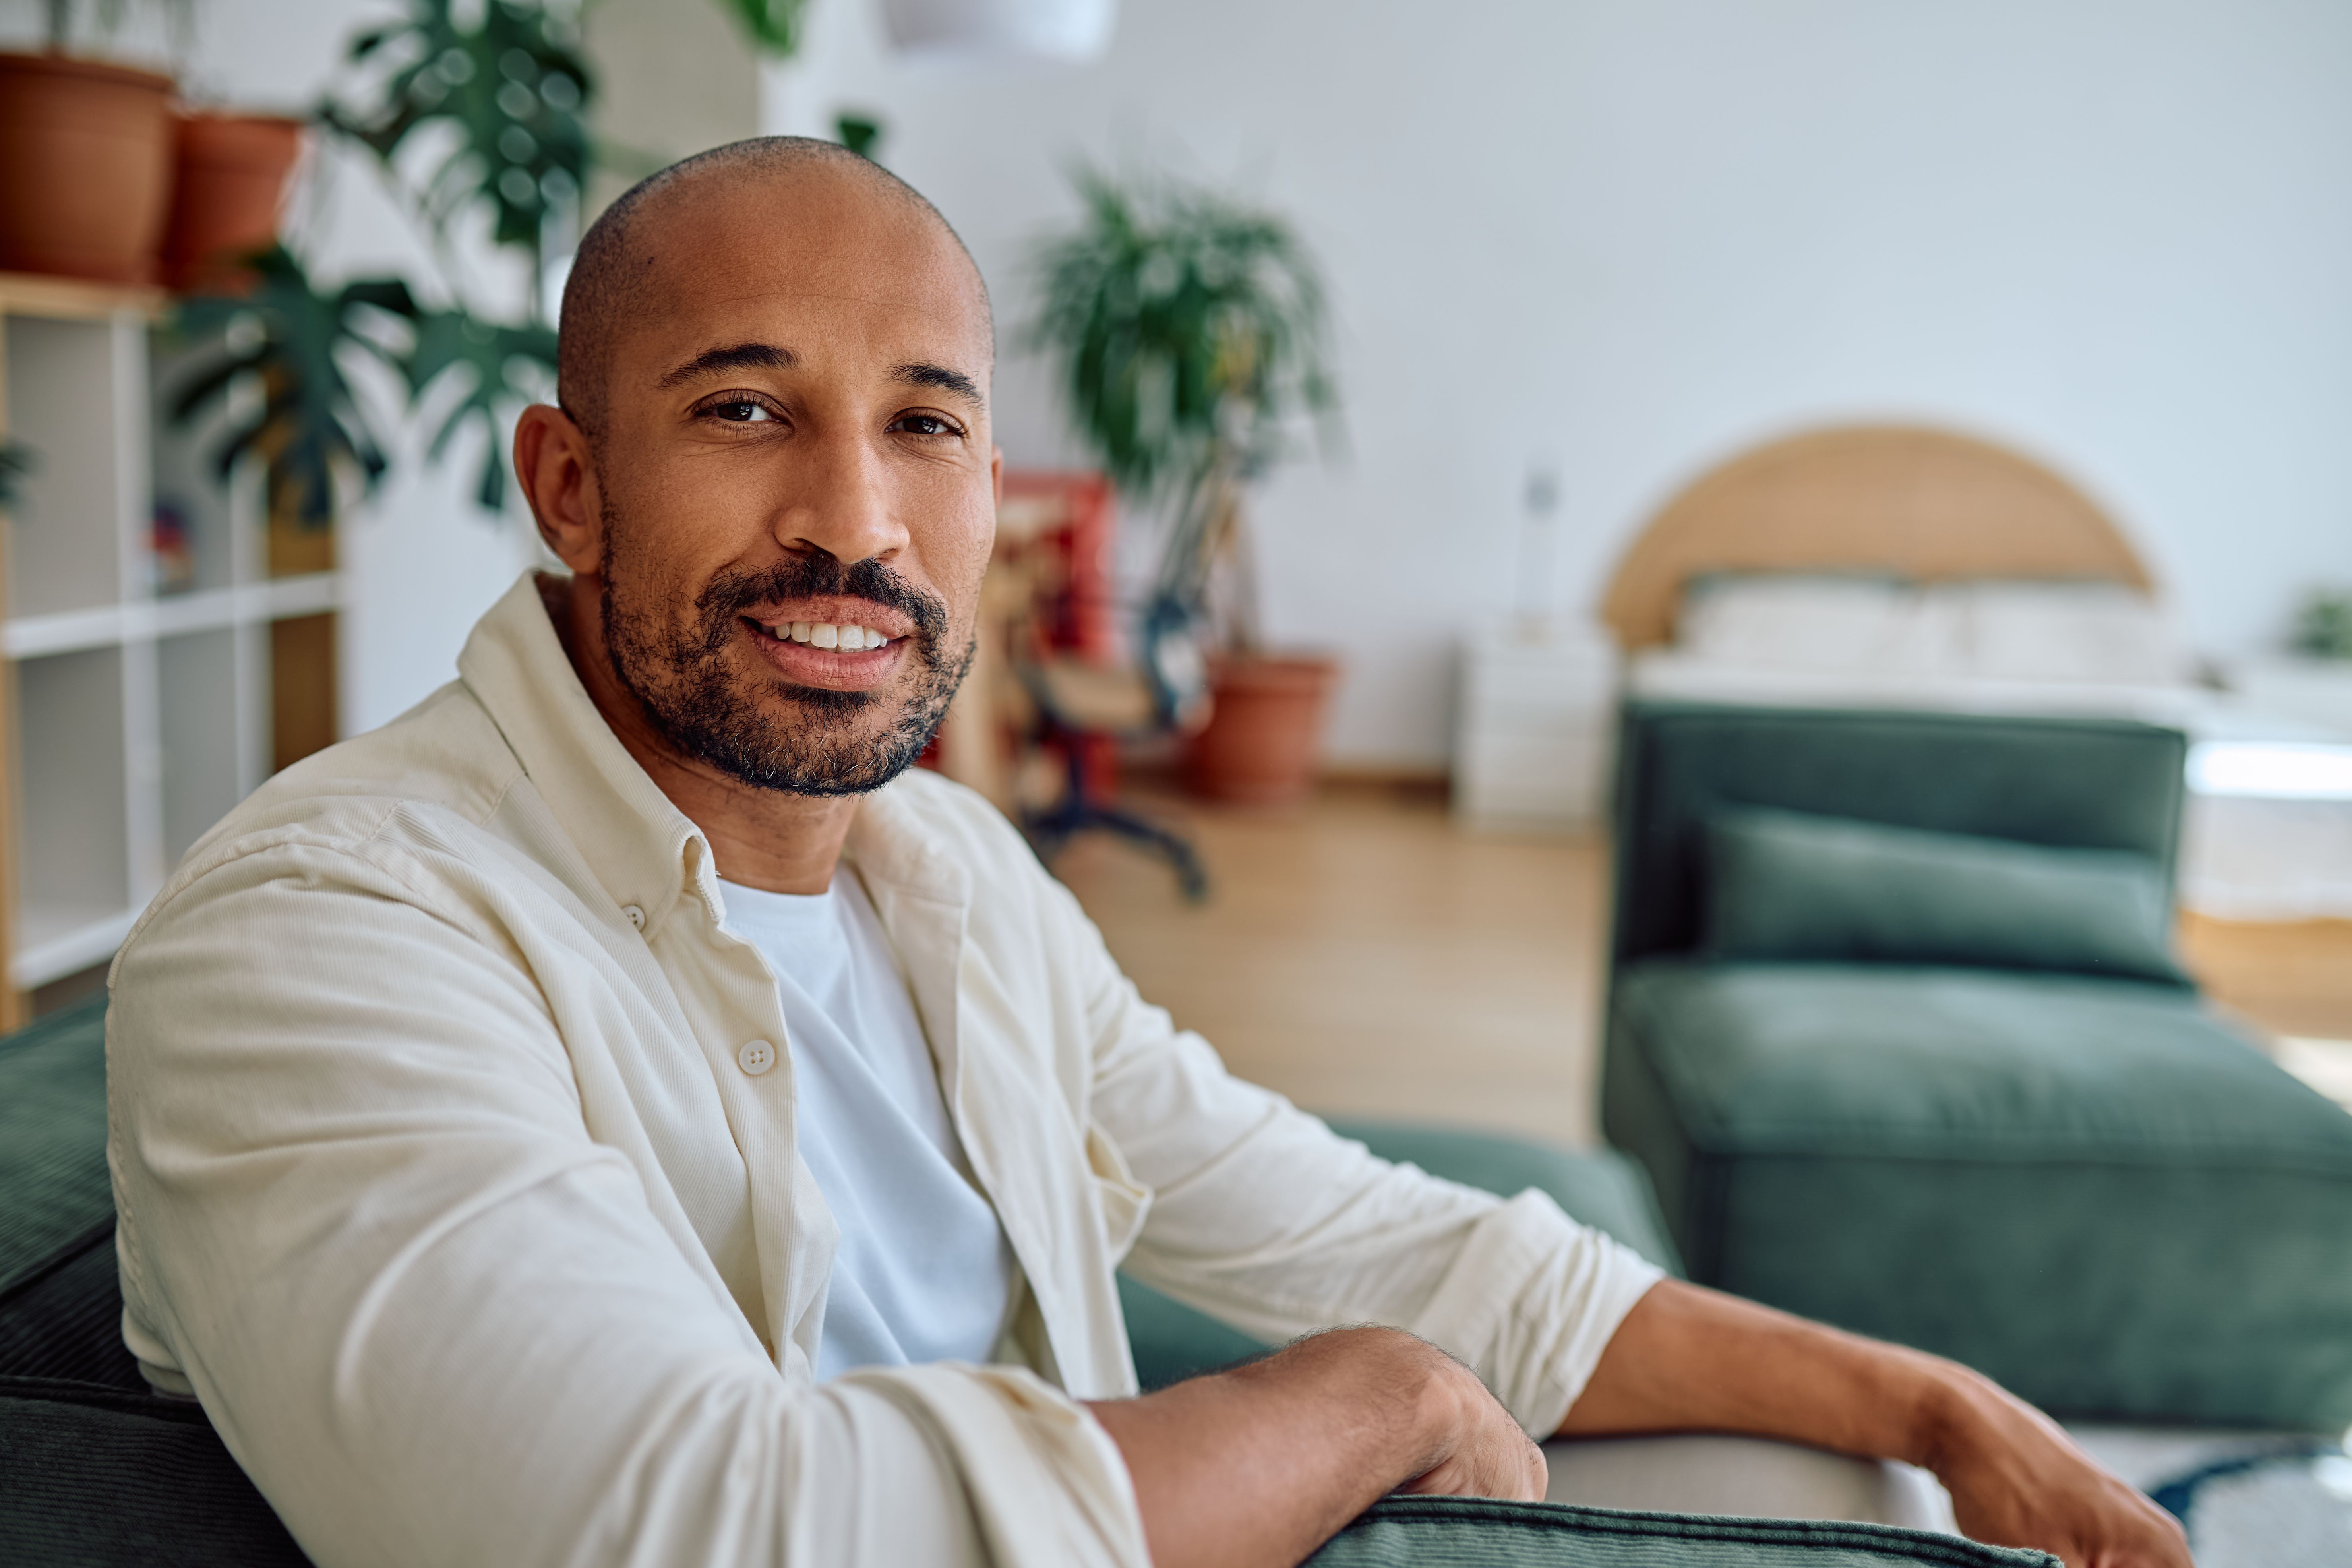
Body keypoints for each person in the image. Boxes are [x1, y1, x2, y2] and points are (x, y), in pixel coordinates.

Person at [105, 138, 2188, 1568]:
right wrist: (1371, 1405)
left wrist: (1923, 1399)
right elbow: (693, 1536)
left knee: (1855, 1505)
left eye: (925, 425)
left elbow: (1375, 1236)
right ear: (569, 480)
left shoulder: (941, 879)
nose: (857, 519)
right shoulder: (328, 936)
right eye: (745, 411)